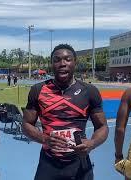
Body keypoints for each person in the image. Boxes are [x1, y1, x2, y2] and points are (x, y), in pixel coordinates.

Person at [22, 44, 108, 180]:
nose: (62, 63)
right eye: (57, 60)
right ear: (51, 64)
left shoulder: (89, 91)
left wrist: (92, 143)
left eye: (67, 59)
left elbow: (102, 127)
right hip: (48, 164)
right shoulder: (38, 90)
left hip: (79, 164)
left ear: (75, 62)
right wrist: (44, 139)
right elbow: (26, 124)